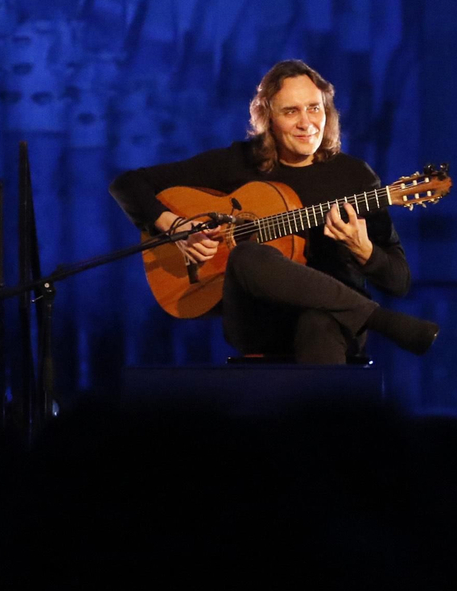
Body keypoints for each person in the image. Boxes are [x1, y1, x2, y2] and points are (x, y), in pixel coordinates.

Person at [110, 60, 438, 364]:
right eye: (291, 112)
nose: (307, 123)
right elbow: (128, 184)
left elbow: (399, 281)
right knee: (247, 256)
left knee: (317, 322)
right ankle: (380, 319)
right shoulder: (240, 161)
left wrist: (364, 250)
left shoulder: (356, 178)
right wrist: (176, 227)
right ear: (268, 117)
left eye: (314, 108)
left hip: (335, 323)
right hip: (258, 322)